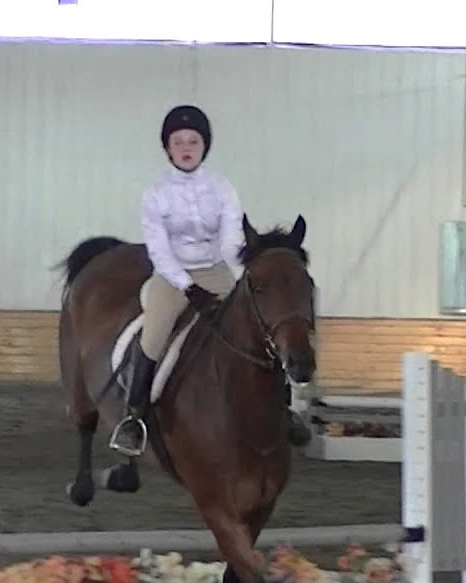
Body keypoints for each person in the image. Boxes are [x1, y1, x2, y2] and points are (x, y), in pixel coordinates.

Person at [109, 104, 313, 456]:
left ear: (204, 147)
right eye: (178, 142)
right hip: (172, 276)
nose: (186, 148)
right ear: (168, 148)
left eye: (193, 141)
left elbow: (232, 242)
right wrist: (188, 287)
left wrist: (239, 280)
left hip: (218, 270)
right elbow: (159, 250)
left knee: (258, 322)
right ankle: (133, 419)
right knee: (155, 334)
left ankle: (284, 407)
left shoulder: (222, 189)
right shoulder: (155, 195)